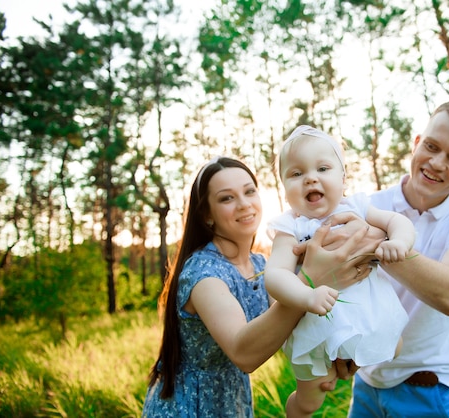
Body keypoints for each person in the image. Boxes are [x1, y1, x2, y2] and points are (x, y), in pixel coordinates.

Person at [141, 156, 369, 418]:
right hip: (187, 407)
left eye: (250, 191)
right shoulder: (203, 272)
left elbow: (289, 327)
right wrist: (309, 281)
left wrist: (336, 353)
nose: (244, 204)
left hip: (232, 404)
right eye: (227, 198)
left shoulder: (261, 264)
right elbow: (244, 352)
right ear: (206, 215)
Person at [337, 98, 449, 417]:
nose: (437, 163)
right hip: (366, 380)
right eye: (432, 146)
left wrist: (376, 241)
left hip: (428, 389)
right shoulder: (369, 205)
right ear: (416, 143)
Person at [264, 126, 416, 418]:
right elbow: (276, 276)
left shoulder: (357, 207)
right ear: (283, 188)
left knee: (395, 346)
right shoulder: (290, 227)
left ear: (343, 178)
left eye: (323, 168)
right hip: (314, 322)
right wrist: (307, 295)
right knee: (310, 401)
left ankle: (347, 359)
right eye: (296, 174)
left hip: (368, 313)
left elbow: (399, 221)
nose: (310, 177)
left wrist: (399, 242)